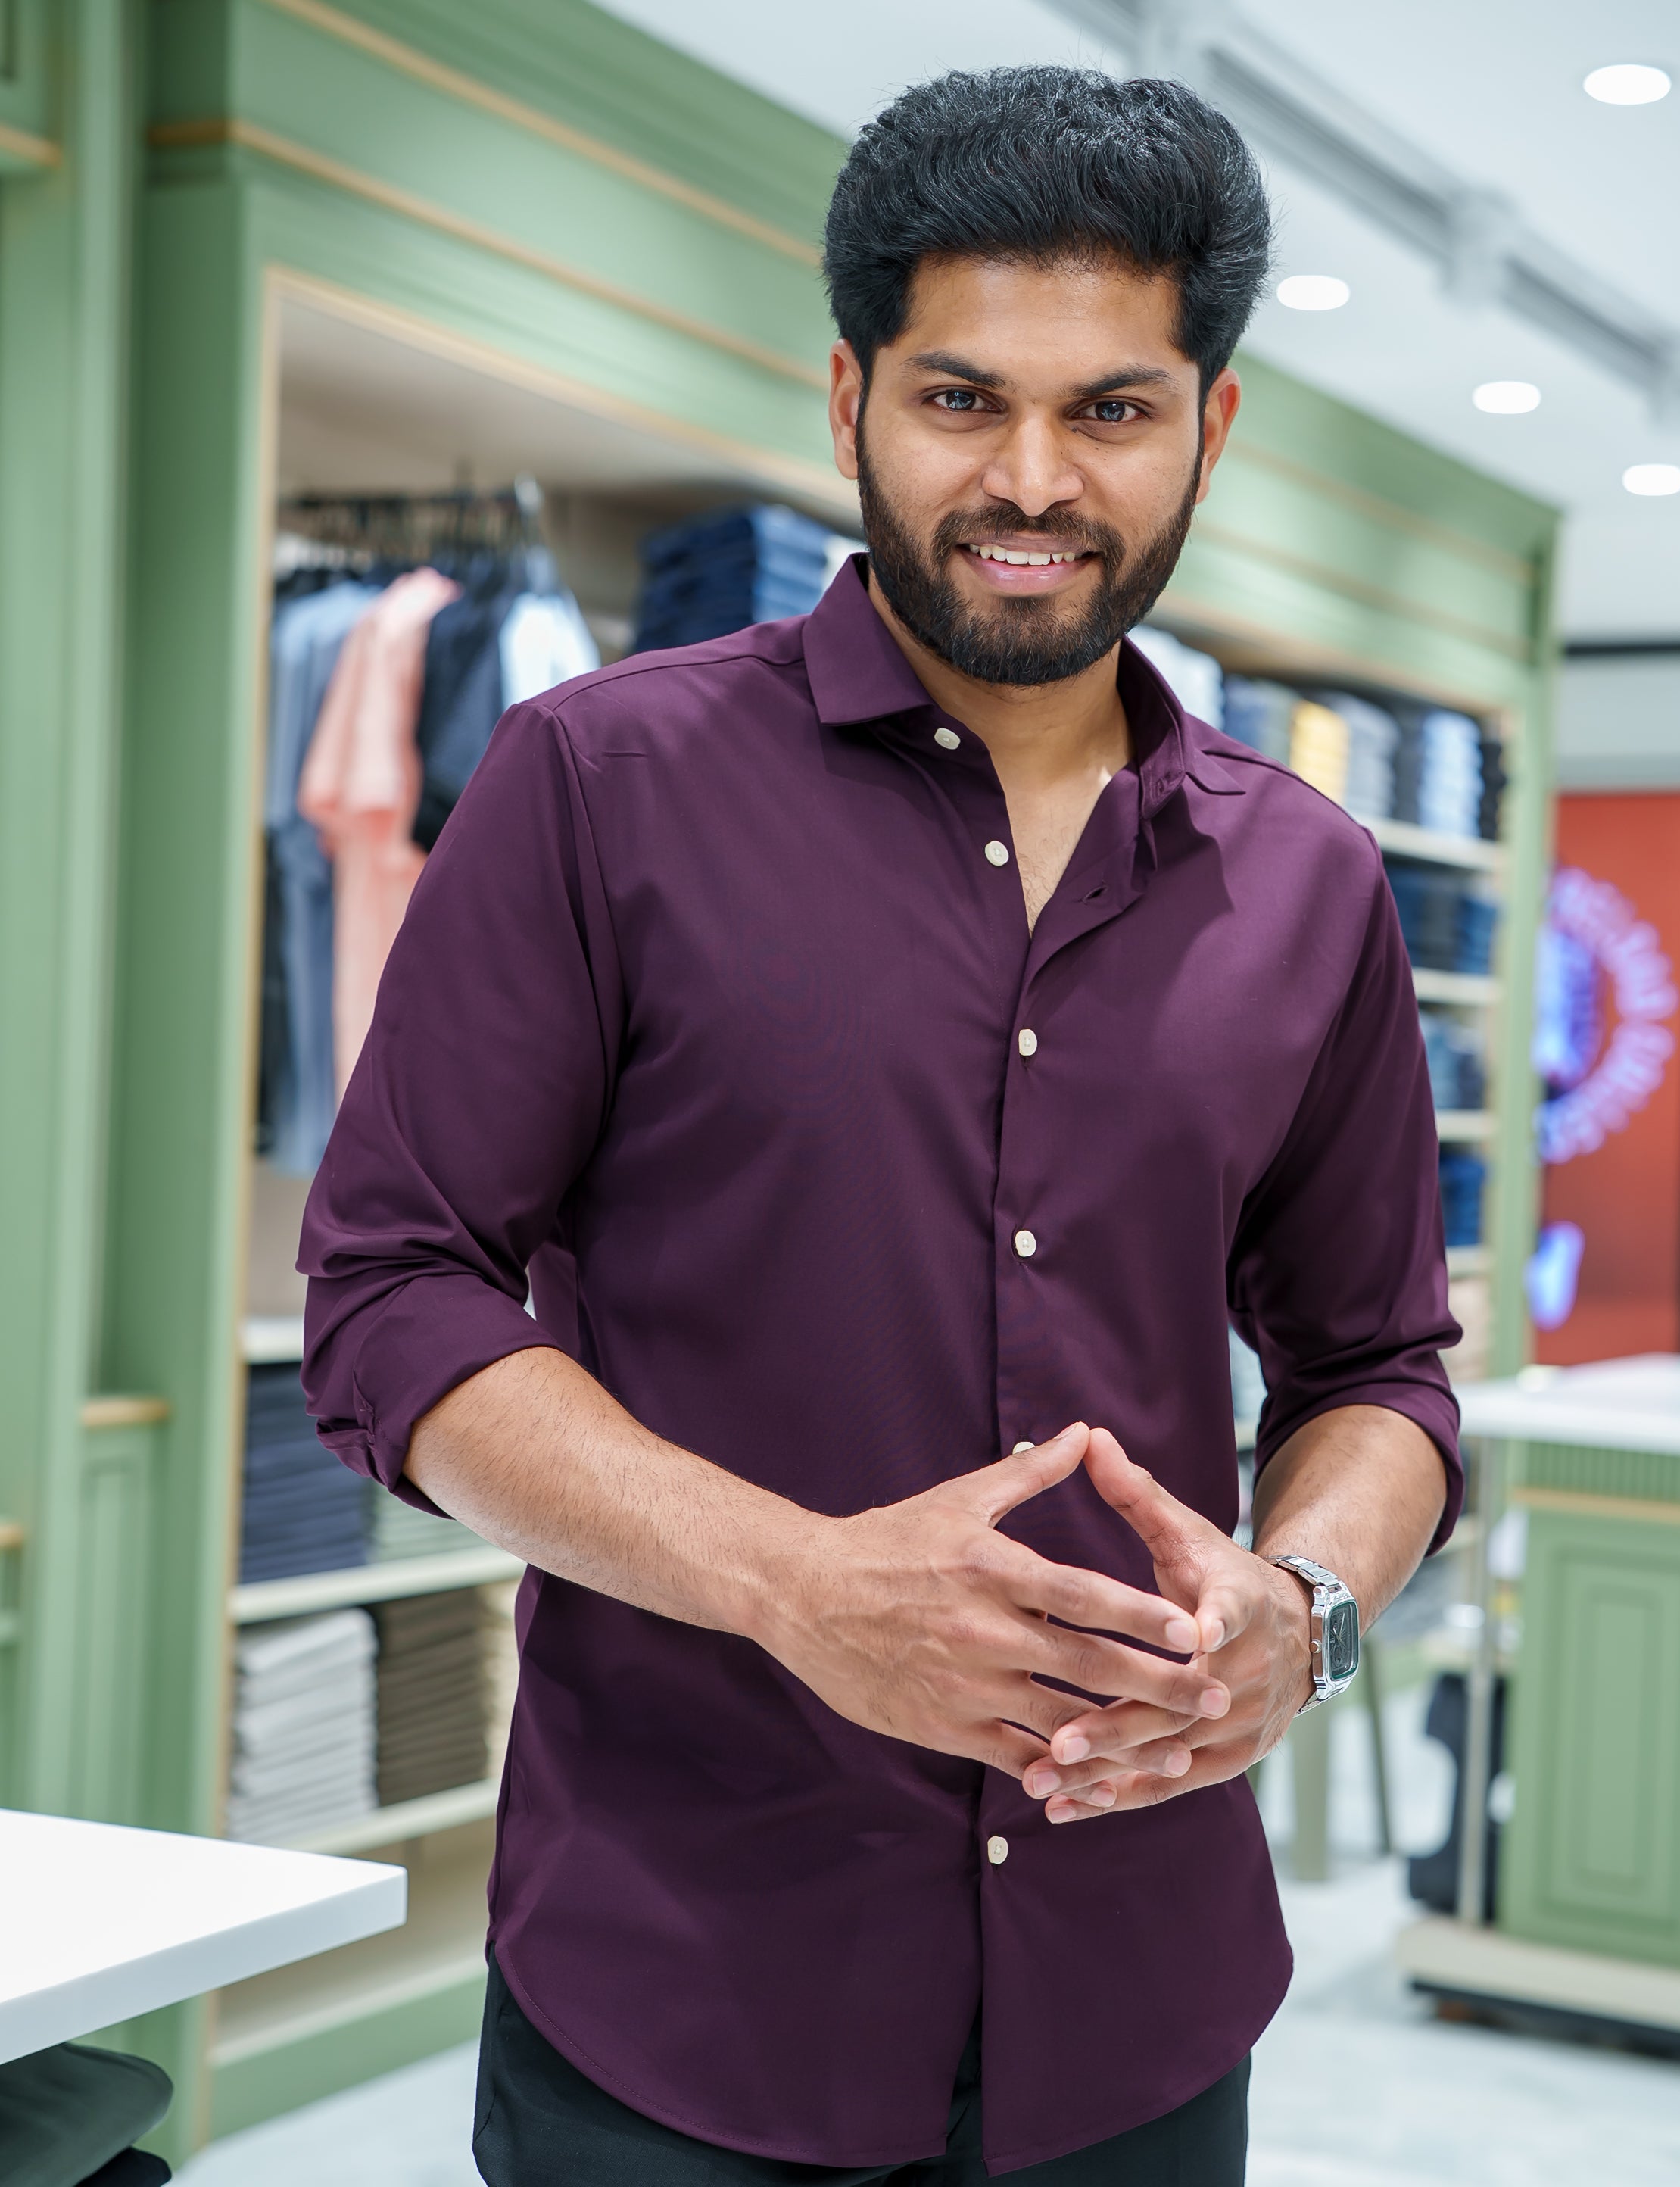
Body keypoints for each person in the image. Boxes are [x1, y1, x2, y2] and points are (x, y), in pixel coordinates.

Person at [302, 64, 1460, 2187]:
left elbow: (1379, 1366)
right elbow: (388, 1296)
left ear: (1208, 427)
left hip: (1139, 2005)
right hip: (686, 1990)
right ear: (845, 401)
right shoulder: (596, 787)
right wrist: (792, 1584)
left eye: (1111, 408)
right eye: (958, 402)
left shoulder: (1314, 883)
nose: (1031, 479)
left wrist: (1310, 1612)